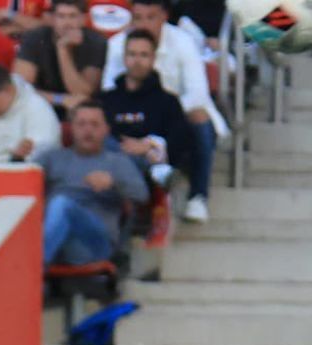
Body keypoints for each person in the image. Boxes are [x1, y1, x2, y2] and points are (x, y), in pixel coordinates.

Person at [99, 0, 220, 223]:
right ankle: (155, 174)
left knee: (200, 120)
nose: (143, 24)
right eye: (138, 17)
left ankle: (198, 197)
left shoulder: (183, 41)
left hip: (174, 113)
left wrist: (162, 113)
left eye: (150, 17)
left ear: (164, 16)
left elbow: (197, 93)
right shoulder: (118, 44)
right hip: (129, 116)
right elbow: (109, 91)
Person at [37, 100, 147, 267]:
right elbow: (21, 183)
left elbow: (142, 195)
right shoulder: (51, 158)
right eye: (81, 124)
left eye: (95, 125)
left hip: (94, 243)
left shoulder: (117, 162)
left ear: (106, 130)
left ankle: (33, 269)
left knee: (62, 204)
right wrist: (16, 159)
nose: (88, 130)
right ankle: (37, 264)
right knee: (57, 209)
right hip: (56, 238)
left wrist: (114, 183)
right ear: (71, 128)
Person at [96, 28, 193, 193]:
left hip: (145, 174)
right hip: (110, 169)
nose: (137, 61)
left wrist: (148, 146)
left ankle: (149, 171)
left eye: (143, 55)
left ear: (153, 58)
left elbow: (180, 144)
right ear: (124, 57)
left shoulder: (168, 102)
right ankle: (152, 172)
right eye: (132, 54)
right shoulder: (106, 99)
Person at [14, 0, 103, 110]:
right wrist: (60, 99)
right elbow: (20, 88)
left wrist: (62, 50)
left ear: (83, 19)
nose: (67, 23)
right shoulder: (35, 38)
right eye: (61, 16)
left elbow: (82, 94)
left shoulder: (95, 42)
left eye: (73, 16)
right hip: (40, 107)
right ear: (52, 19)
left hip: (81, 110)